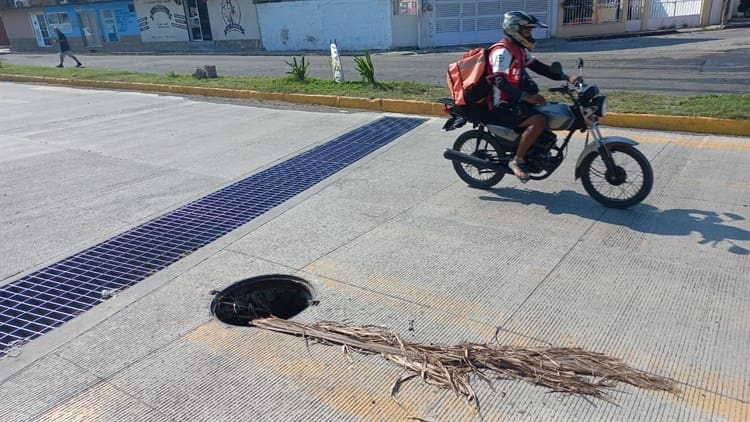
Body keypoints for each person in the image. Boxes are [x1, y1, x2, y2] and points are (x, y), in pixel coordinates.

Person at [487, 11, 579, 182]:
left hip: (515, 100)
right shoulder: (502, 51)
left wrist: (567, 77)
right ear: (515, 30)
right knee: (539, 120)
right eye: (527, 31)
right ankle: (517, 160)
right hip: (502, 104)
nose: (530, 35)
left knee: (548, 109)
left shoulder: (520, 50)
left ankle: (533, 151)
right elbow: (500, 80)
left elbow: (541, 68)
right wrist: (525, 97)